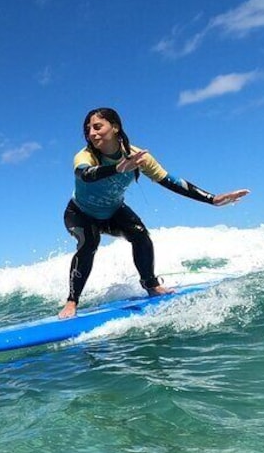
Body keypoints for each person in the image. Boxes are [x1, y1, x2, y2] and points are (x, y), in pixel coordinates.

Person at [58, 107, 249, 319]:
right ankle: (72, 302)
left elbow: (170, 180)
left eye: (97, 127)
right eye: (88, 130)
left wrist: (211, 199)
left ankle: (151, 285)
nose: (92, 133)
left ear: (115, 127)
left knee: (140, 235)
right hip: (80, 213)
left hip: (113, 212)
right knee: (89, 242)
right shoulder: (85, 156)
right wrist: (117, 168)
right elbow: (85, 174)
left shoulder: (138, 156)